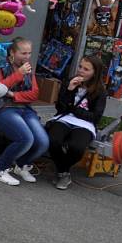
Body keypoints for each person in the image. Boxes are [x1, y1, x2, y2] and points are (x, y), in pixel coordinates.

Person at [0, 37, 49, 186]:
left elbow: (34, 94)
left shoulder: (28, 68)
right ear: (12, 53)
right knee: (26, 139)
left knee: (43, 142)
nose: (27, 57)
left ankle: (21, 165)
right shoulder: (0, 66)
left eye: (29, 53)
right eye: (23, 53)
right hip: (1, 108)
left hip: (23, 108)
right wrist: (18, 74)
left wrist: (13, 95)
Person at [46, 56, 107, 190]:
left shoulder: (100, 91)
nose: (81, 71)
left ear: (94, 73)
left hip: (85, 123)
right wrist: (69, 90)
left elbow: (95, 117)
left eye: (86, 69)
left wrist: (74, 109)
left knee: (77, 147)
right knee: (52, 140)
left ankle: (62, 169)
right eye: (80, 67)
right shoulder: (69, 81)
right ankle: (63, 172)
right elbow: (60, 108)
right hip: (65, 117)